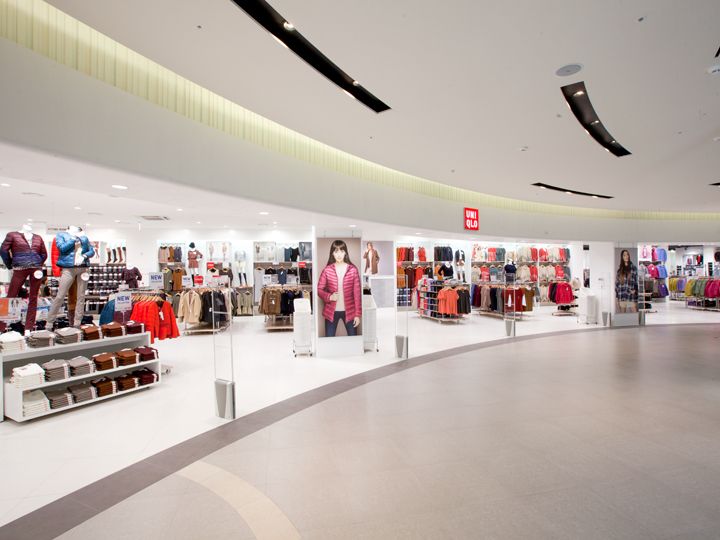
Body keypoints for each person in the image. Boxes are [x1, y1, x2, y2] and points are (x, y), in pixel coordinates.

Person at [317, 240, 362, 337]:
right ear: (332, 253)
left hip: (350, 311)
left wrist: (357, 315)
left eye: (342, 251)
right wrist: (330, 297)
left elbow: (357, 294)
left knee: (353, 339)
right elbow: (319, 290)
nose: (339, 254)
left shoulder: (353, 270)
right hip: (331, 312)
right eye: (336, 251)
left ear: (345, 253)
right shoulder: (327, 270)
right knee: (329, 339)